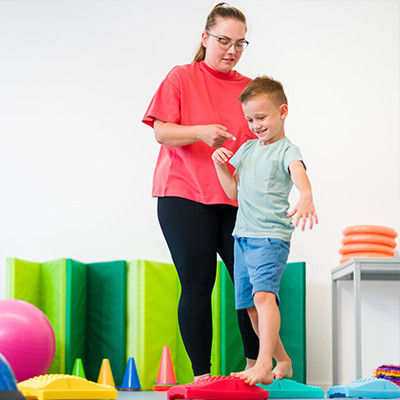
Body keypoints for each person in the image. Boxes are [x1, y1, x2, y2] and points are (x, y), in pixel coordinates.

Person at [142, 3, 259, 381]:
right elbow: (161, 131)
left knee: (251, 282)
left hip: (233, 198)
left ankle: (255, 368)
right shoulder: (181, 77)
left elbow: (259, 145)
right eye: (224, 40)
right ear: (205, 38)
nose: (231, 50)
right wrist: (201, 131)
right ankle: (201, 375)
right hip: (183, 194)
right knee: (198, 282)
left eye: (240, 43)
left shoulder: (249, 89)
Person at [211, 76, 318, 385]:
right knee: (252, 309)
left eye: (261, 117)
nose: (255, 124)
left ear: (282, 112)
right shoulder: (246, 150)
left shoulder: (286, 149)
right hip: (242, 238)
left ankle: (262, 365)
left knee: (263, 298)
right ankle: (282, 360)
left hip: (269, 237)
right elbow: (232, 192)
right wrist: (220, 166)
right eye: (249, 119)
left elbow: (298, 172)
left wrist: (306, 195)